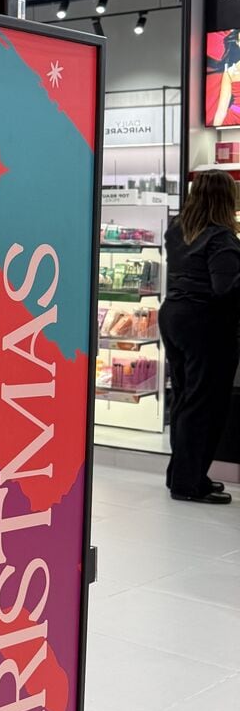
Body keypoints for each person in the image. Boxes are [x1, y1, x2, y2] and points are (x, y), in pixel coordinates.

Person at [161, 169, 240, 504]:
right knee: (203, 405)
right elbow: (225, 288)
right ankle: (188, 484)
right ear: (227, 199)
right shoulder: (221, 238)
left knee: (184, 399)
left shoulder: (178, 230)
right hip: (206, 325)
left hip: (174, 317)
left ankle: (182, 474)